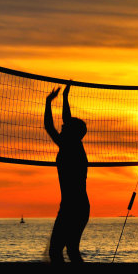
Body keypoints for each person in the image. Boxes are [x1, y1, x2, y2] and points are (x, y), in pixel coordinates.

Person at [44, 83, 89, 264]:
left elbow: (49, 126)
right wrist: (64, 98)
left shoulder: (70, 146)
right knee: (70, 251)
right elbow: (65, 120)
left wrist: (49, 102)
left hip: (73, 207)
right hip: (78, 206)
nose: (62, 126)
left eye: (66, 126)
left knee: (57, 251)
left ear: (72, 132)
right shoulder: (73, 144)